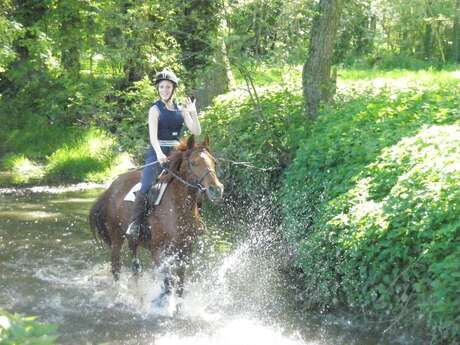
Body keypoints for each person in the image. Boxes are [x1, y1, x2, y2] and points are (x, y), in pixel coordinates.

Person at [126, 70, 201, 240]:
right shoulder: (155, 109)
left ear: (173, 89)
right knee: (145, 186)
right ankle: (135, 224)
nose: (165, 90)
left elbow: (196, 130)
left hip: (177, 154)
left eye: (168, 87)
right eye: (162, 87)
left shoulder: (181, 109)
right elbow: (153, 137)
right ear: (158, 89)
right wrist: (159, 154)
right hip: (157, 153)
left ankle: (196, 220)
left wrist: (193, 113)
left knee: (194, 182)